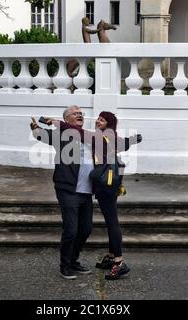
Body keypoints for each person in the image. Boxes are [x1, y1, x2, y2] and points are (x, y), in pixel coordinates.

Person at [47, 112, 142, 280]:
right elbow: (124, 144)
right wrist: (133, 139)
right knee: (110, 221)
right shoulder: (111, 137)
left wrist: (57, 122)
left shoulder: (103, 136)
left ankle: (119, 263)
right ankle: (112, 256)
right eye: (98, 118)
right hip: (110, 185)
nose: (98, 121)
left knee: (112, 222)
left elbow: (79, 133)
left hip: (105, 186)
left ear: (109, 124)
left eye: (103, 120)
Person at [30, 106, 94, 280]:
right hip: (68, 189)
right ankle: (65, 265)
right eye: (75, 113)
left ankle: (73, 261)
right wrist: (36, 129)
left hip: (87, 190)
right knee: (71, 230)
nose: (80, 115)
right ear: (66, 120)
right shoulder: (62, 136)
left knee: (86, 229)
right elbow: (43, 136)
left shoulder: (88, 136)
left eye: (81, 113)